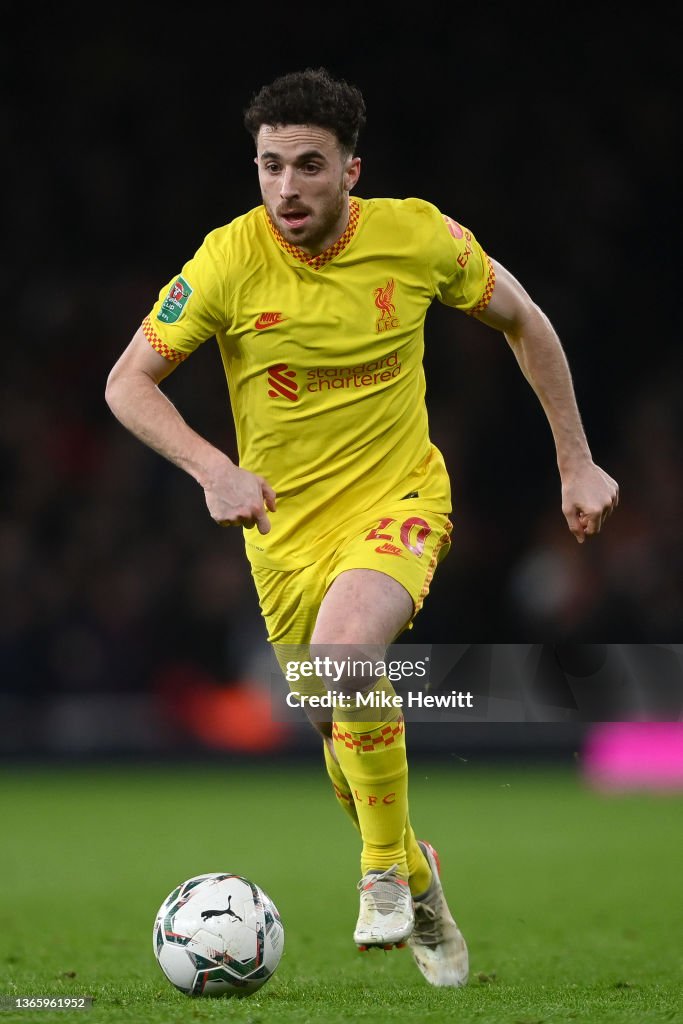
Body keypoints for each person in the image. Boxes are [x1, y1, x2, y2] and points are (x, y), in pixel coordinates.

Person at [105, 67, 619, 987]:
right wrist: (213, 468)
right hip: (283, 536)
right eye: (269, 166)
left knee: (347, 655)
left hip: (397, 504)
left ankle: (381, 873)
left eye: (309, 165)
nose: (286, 188)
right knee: (337, 726)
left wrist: (574, 461)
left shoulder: (416, 236)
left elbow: (524, 320)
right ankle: (419, 875)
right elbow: (126, 383)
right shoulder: (227, 259)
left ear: (351, 170)